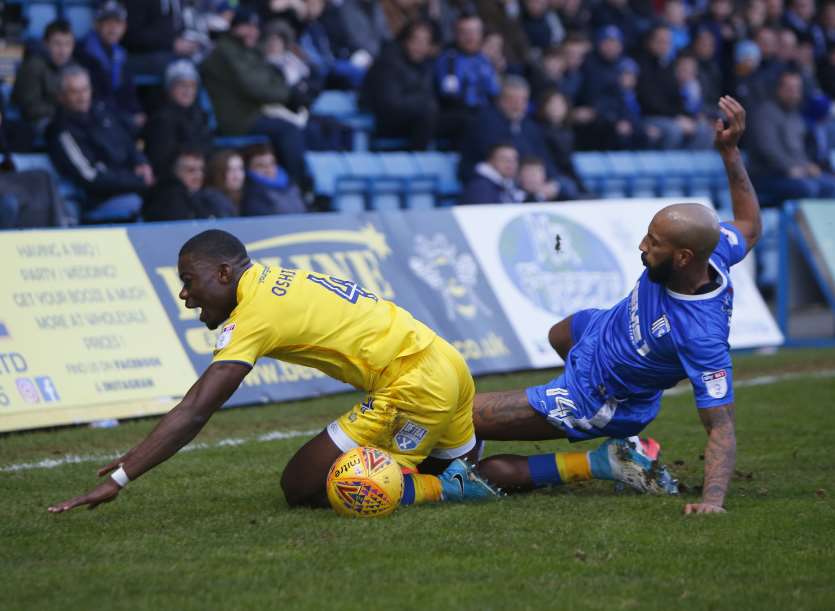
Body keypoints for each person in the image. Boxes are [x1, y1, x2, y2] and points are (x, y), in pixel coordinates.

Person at [48, 230, 501, 513]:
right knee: (462, 476)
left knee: (300, 486)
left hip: (413, 382)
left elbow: (196, 409)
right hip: (446, 363)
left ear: (224, 273)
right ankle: (565, 467)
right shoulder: (274, 279)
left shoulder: (254, 312)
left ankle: (440, 487)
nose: (185, 295)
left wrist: (120, 478)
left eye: (190, 279)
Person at [473, 96, 762, 515]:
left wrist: (711, 500)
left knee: (467, 417)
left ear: (682, 258)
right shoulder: (714, 250)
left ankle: (593, 455)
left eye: (653, 243)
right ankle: (602, 437)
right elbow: (750, 226)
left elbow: (721, 426)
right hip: (598, 332)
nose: (641, 247)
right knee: (560, 332)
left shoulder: (701, 336)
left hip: (600, 395)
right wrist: (730, 152)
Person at [200, 7, 307, 185]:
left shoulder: (246, 51)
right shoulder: (226, 52)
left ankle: (296, 186)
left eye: (255, 28)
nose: (252, 32)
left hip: (252, 113)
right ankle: (299, 186)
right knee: (288, 130)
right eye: (246, 26)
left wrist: (288, 93)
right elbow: (254, 87)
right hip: (236, 120)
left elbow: (270, 78)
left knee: (307, 128)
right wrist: (288, 95)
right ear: (234, 28)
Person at [46, 65, 152, 223]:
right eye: (75, 92)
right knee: (153, 201)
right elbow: (90, 178)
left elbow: (127, 141)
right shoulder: (61, 131)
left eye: (85, 89)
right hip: (98, 199)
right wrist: (136, 181)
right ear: (61, 96)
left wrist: (141, 162)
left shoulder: (102, 111)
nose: (82, 97)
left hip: (131, 184)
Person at [747, 69, 835, 201]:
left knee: (830, 185)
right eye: (789, 88)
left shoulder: (795, 115)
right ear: (779, 89)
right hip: (767, 174)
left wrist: (807, 165)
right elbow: (769, 149)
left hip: (796, 173)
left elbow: (799, 151)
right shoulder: (765, 113)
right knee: (809, 188)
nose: (794, 93)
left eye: (797, 88)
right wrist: (790, 168)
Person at [360, 20, 438, 150]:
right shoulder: (388, 62)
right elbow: (389, 104)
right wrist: (423, 103)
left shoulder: (426, 65)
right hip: (384, 122)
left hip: (417, 119)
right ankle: (418, 160)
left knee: (465, 120)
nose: (420, 46)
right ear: (405, 41)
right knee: (428, 110)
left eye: (425, 42)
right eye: (416, 40)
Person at [74, 1, 145, 131]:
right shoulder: (82, 52)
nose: (113, 28)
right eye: (108, 22)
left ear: (124, 27)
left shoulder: (121, 54)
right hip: (93, 118)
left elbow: (128, 91)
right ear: (97, 25)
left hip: (116, 117)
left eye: (117, 23)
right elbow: (94, 98)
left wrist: (136, 111)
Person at [142, 60, 213, 181]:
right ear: (170, 88)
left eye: (192, 86)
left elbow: (208, 146)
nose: (188, 91)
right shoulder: (161, 119)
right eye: (182, 85)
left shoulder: (200, 114)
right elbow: (162, 161)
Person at [11, 19, 75, 138]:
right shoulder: (33, 66)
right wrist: (64, 109)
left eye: (68, 44)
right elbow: (30, 109)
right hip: (37, 124)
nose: (63, 51)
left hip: (66, 118)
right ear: (46, 43)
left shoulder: (73, 66)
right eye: (57, 44)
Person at [143, 148, 237, 221]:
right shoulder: (168, 199)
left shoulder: (209, 197)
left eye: (201, 170)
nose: (198, 175)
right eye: (191, 170)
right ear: (176, 172)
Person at [240, 142, 307, 215]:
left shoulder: (292, 185)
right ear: (249, 169)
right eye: (260, 166)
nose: (269, 170)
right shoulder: (252, 196)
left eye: (271, 164)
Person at [460, 142, 525, 205]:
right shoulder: (480, 187)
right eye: (504, 159)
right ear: (490, 161)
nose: (510, 163)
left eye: (514, 159)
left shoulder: (511, 184)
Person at [206, 149, 246, 214]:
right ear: (218, 173)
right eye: (230, 170)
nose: (237, 176)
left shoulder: (244, 197)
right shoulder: (213, 200)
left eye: (240, 169)